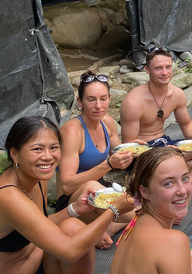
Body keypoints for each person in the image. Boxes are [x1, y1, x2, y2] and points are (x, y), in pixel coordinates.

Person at [0, 116, 133, 274]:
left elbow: (40, 222)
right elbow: (70, 251)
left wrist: (75, 209)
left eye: (54, 147)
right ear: (14, 154)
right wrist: (113, 210)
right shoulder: (8, 196)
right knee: (75, 238)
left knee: (73, 227)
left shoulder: (37, 177)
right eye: (37, 149)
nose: (48, 156)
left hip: (38, 255)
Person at [120, 47, 192, 183]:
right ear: (147, 70)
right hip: (145, 154)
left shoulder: (176, 94)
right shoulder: (133, 101)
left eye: (168, 67)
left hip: (166, 144)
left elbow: (187, 125)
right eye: (158, 68)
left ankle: (190, 177)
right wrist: (164, 154)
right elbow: (129, 147)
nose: (164, 73)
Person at [56, 71, 138, 249]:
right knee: (136, 209)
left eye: (103, 99)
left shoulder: (107, 122)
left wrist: (134, 150)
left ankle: (107, 227)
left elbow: (120, 154)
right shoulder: (72, 131)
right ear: (80, 102)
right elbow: (67, 185)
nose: (98, 106)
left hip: (101, 191)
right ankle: (108, 224)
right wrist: (108, 164)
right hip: (74, 200)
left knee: (141, 199)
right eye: (91, 100)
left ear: (110, 98)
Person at [110, 147, 192, 274]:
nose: (182, 191)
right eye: (168, 183)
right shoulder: (174, 241)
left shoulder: (135, 222)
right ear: (145, 192)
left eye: (185, 178)